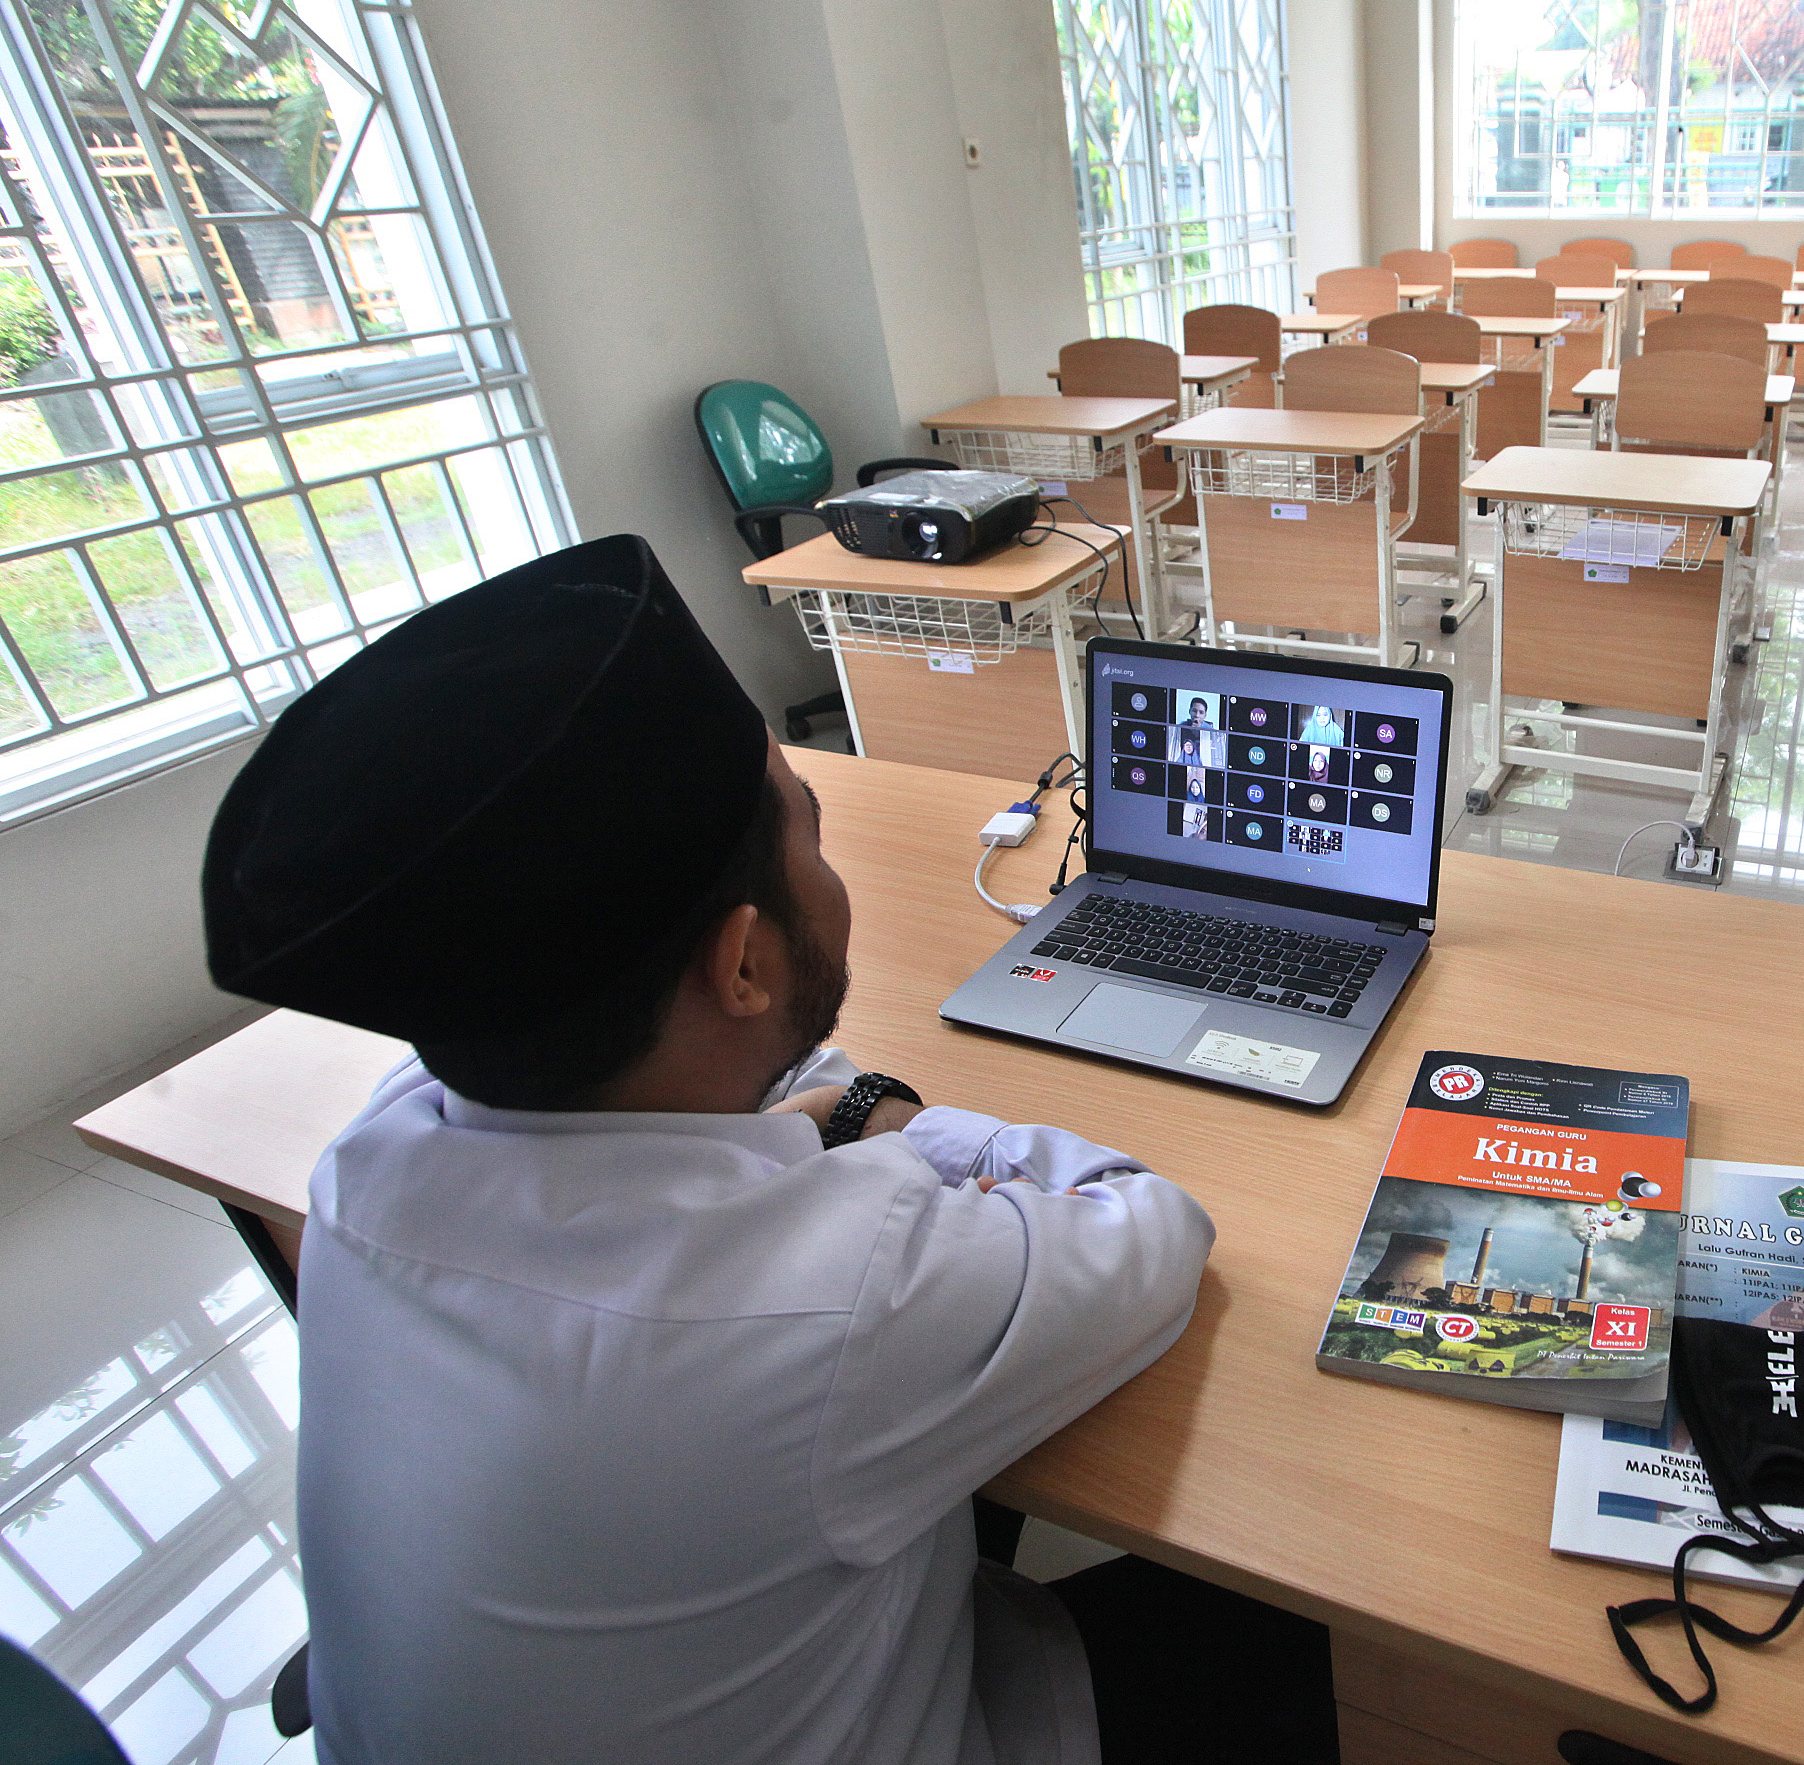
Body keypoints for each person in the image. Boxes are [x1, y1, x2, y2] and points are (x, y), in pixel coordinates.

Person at [202, 537, 1333, 1764]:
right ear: (744, 961)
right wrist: (889, 1119)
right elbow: (1153, 1227)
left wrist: (811, 1118)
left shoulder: (373, 1152)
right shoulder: (838, 1298)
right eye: (813, 831)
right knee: (1296, 1616)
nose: (828, 867)